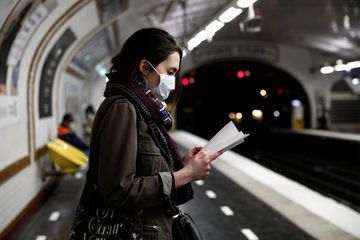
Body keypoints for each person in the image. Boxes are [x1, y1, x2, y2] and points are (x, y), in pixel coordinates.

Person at [70, 28, 222, 239]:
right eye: (170, 72)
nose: (173, 80)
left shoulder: (144, 111)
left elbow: (145, 170)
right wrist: (184, 175)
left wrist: (183, 165)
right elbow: (118, 191)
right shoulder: (123, 108)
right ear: (144, 67)